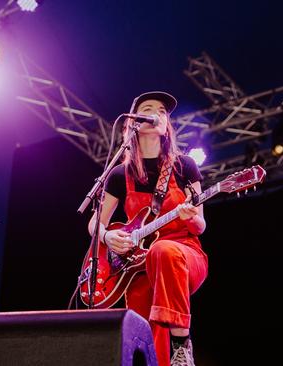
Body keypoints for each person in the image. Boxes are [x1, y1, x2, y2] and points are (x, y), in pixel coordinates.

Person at [87, 91, 208, 366]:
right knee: (146, 340)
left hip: (185, 255)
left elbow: (201, 225)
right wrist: (107, 236)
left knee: (163, 250)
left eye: (162, 111)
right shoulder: (120, 174)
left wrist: (189, 216)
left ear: (167, 125)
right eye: (147, 109)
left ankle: (182, 346)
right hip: (138, 265)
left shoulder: (184, 166)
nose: (156, 113)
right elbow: (95, 223)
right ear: (134, 123)